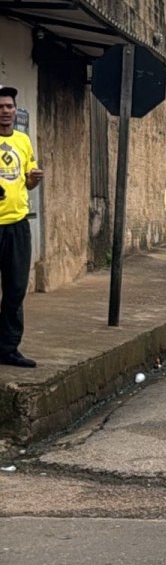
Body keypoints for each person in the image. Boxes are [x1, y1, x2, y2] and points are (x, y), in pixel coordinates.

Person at [0, 84, 43, 368]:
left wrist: (34, 179)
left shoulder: (23, 141)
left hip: (17, 224)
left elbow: (27, 178)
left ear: (16, 110)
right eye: (1, 107)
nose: (5, 112)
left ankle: (8, 348)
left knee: (15, 290)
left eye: (9, 107)